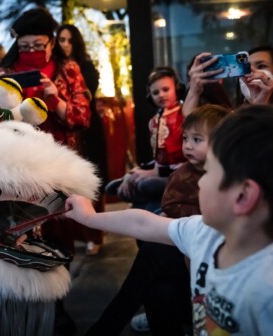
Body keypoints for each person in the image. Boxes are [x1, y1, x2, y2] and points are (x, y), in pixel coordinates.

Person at [66, 104, 273, 335]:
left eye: (210, 172)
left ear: (243, 196)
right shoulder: (206, 233)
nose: (201, 180)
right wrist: (89, 217)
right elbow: (144, 223)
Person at [86, 104, 230, 335]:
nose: (188, 146)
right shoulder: (184, 173)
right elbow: (169, 209)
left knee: (153, 254)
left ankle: (104, 328)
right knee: (157, 289)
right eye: (185, 138)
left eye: (197, 139)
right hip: (183, 250)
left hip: (213, 261)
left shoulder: (231, 177)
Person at [0, 8, 91, 335]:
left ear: (51, 43)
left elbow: (82, 116)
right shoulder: (4, 70)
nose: (32, 51)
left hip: (59, 163)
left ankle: (58, 305)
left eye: (38, 44)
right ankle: (33, 306)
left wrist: (57, 97)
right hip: (19, 167)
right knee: (25, 233)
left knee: (60, 232)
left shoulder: (68, 69)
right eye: (25, 46)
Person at [54, 23, 107, 255]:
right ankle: (76, 234)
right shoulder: (55, 67)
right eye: (61, 40)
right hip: (64, 131)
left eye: (69, 40)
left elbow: (85, 101)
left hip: (88, 130)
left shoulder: (85, 68)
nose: (65, 44)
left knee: (92, 181)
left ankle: (95, 234)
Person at [107, 66, 186, 212]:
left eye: (166, 89)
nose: (161, 95)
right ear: (150, 96)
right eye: (156, 92)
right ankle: (139, 190)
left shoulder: (184, 113)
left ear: (177, 88)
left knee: (145, 185)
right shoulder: (154, 120)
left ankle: (144, 194)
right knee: (116, 188)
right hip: (160, 169)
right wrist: (138, 172)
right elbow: (158, 158)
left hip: (178, 171)